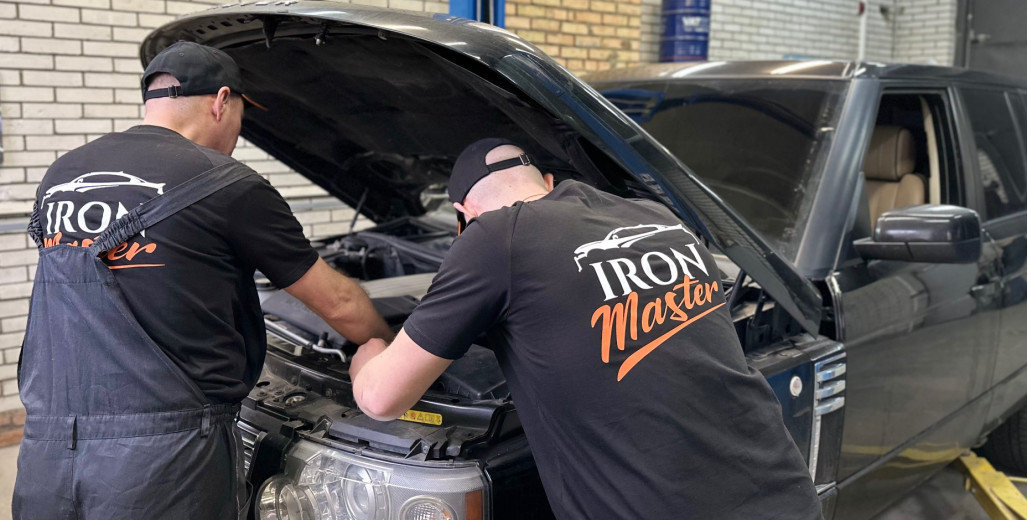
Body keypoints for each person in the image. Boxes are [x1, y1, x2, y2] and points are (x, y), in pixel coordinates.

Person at [13, 41, 393, 520]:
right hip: (163, 462)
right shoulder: (231, 184)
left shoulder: (60, 175)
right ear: (222, 101)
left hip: (47, 450)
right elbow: (338, 303)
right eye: (241, 115)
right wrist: (389, 350)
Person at [349, 138, 822, 519]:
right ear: (548, 182)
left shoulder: (493, 236)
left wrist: (370, 351)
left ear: (462, 213)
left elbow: (380, 399)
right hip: (784, 492)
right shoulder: (661, 218)